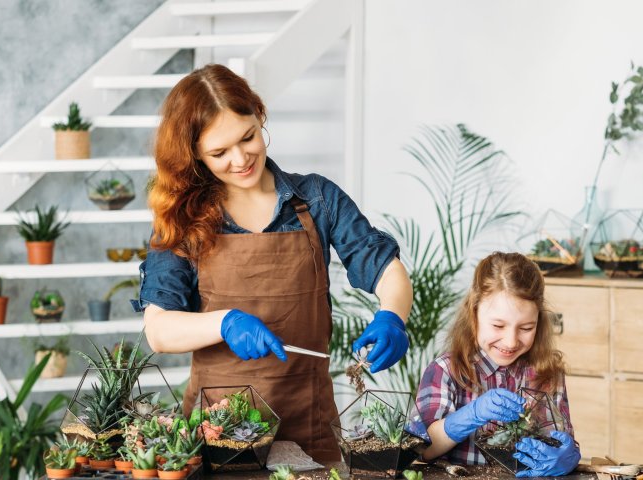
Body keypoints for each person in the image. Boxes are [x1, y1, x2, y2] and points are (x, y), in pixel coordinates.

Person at [133, 63, 413, 462]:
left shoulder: (317, 199)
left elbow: (385, 268)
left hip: (310, 422)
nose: (240, 158)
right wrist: (224, 321)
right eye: (218, 152)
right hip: (220, 432)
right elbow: (159, 330)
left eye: (247, 137)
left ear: (259, 116)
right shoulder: (185, 219)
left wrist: (392, 317)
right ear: (194, 155)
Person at [416, 252, 580, 477]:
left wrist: (567, 456)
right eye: (498, 326)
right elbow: (423, 449)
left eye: (526, 328)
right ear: (473, 315)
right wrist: (470, 415)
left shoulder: (546, 372)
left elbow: (560, 440)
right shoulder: (446, 370)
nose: (511, 341)